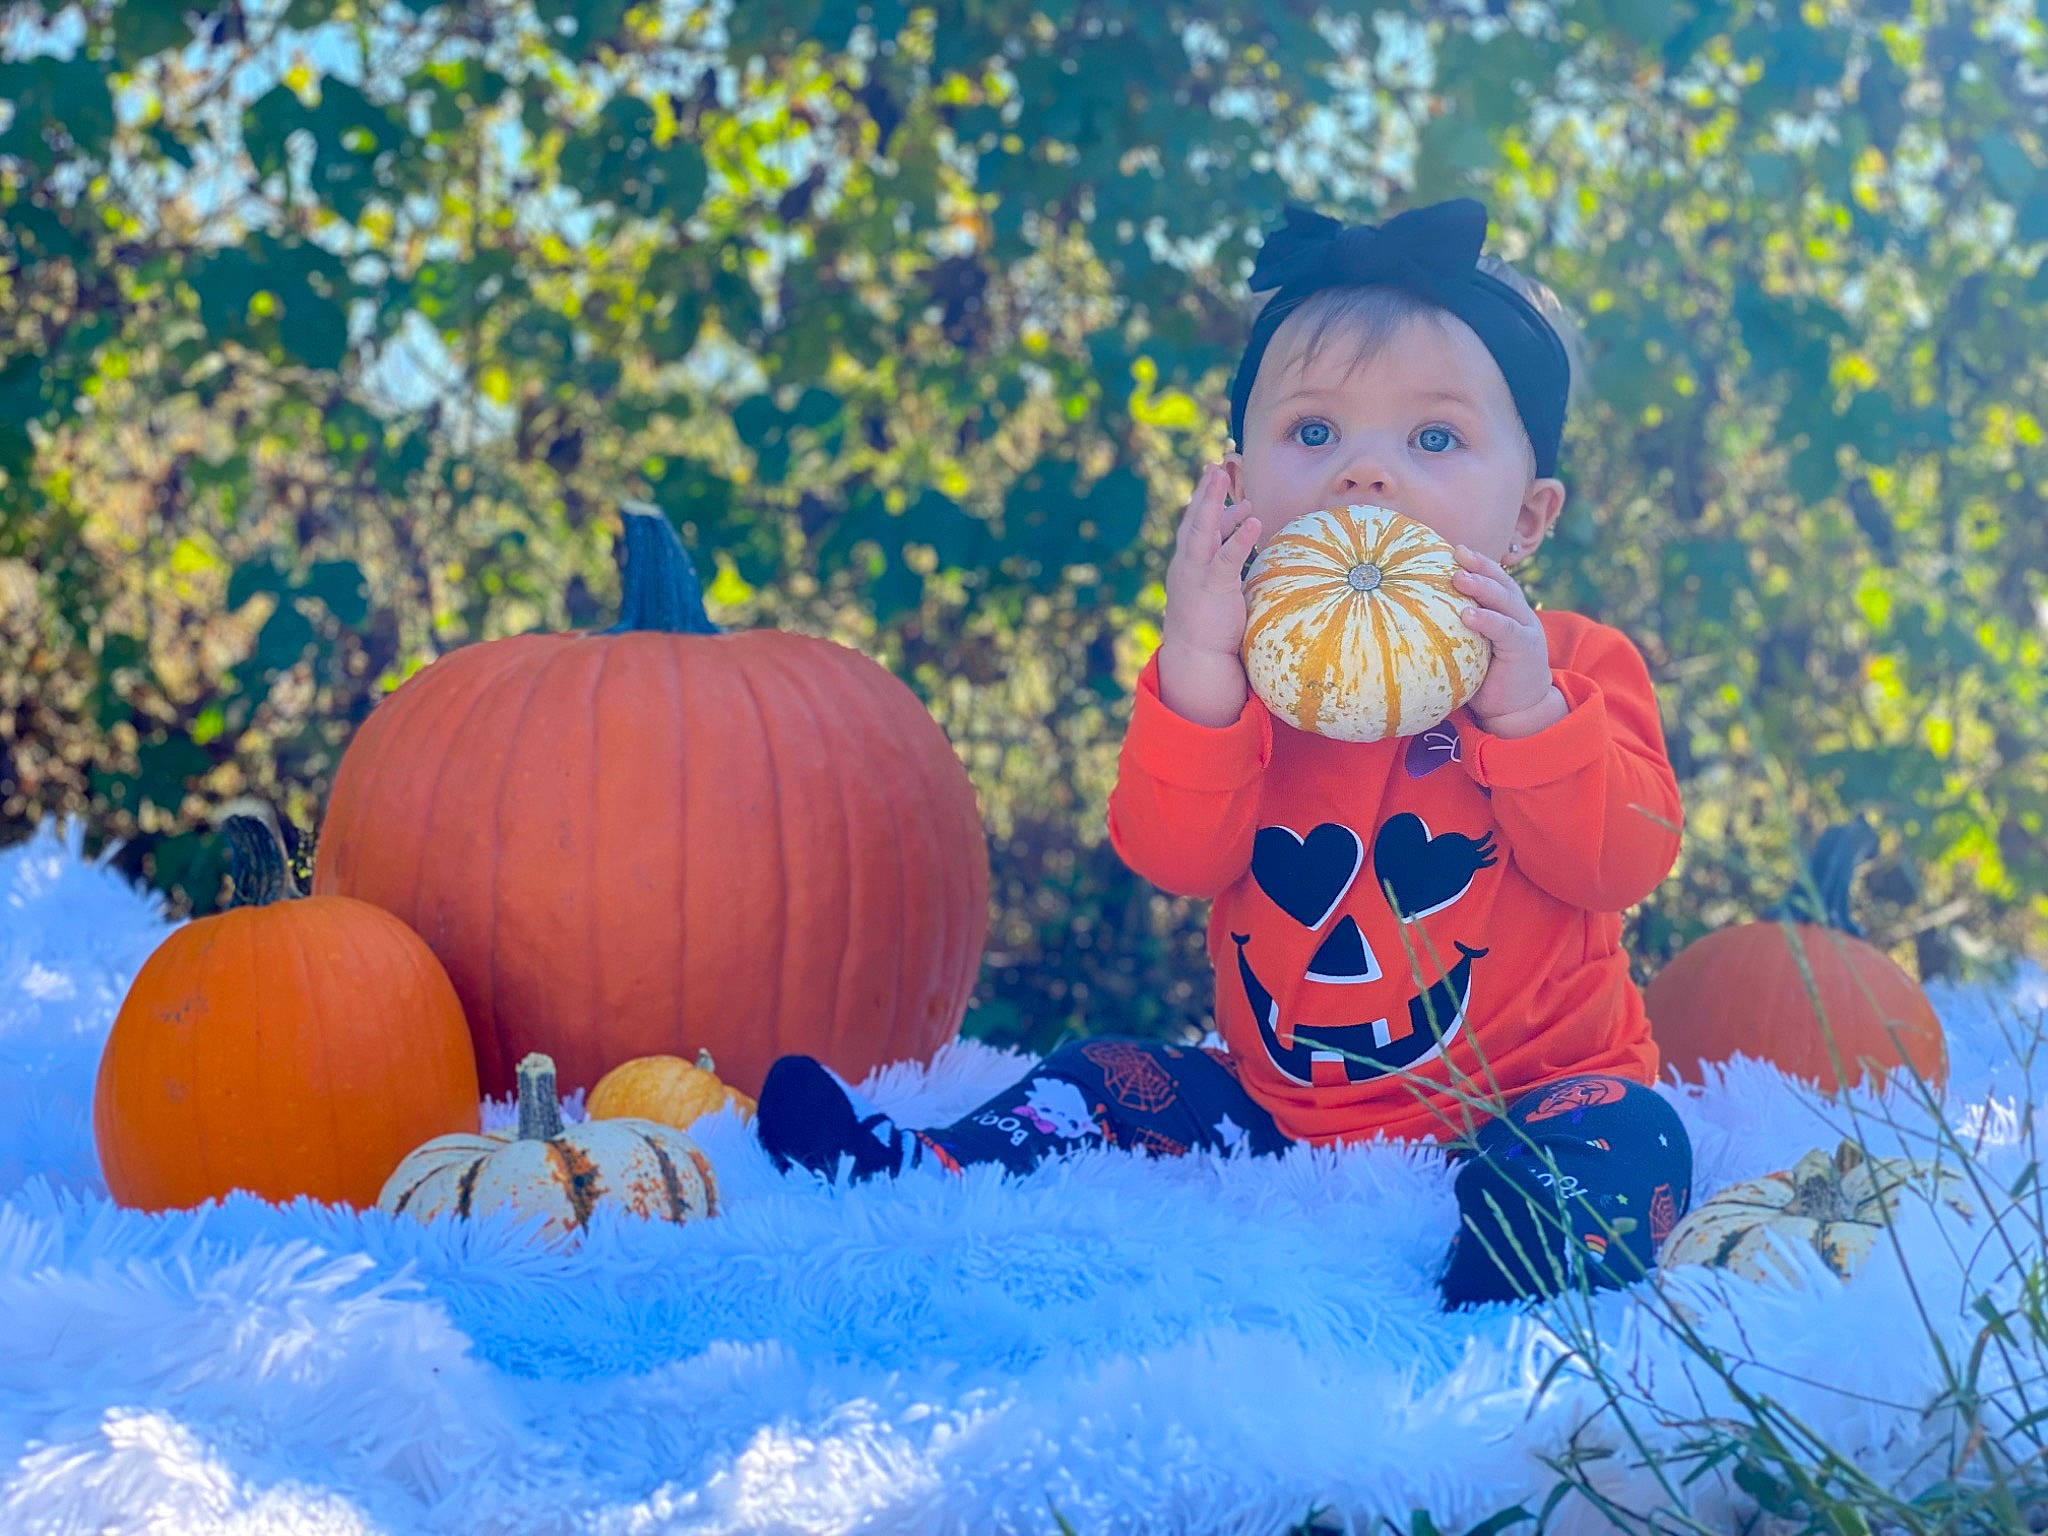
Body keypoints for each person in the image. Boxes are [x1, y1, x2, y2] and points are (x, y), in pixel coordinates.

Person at [754, 196, 1693, 1307]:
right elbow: (1174, 856)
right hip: (1279, 1107)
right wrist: (1199, 665)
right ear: (1239, 486)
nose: (1364, 474)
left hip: (1532, 1095)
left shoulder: (1573, 667)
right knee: (1100, 1074)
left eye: (1432, 439)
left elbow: (1619, 866)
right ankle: (917, 1170)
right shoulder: (1240, 675)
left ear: (1528, 520)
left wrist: (1523, 714)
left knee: (1631, 1138)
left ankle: (1506, 1263)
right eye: (1312, 434)